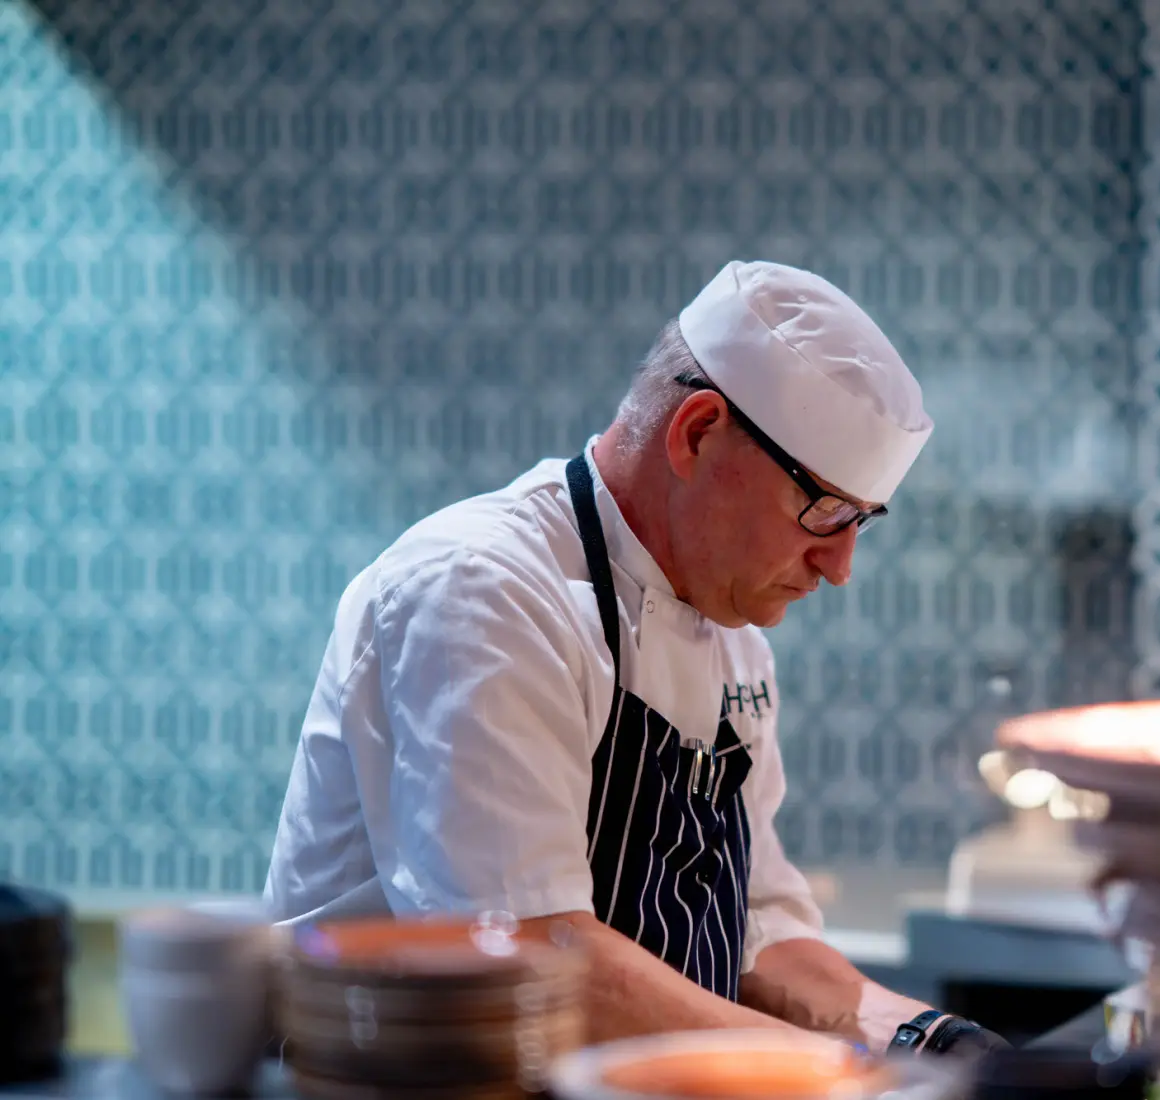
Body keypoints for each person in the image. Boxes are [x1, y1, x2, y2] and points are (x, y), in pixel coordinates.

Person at [264, 260, 1005, 1058]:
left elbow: (759, 931)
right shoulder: (485, 591)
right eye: (824, 511)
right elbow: (535, 961)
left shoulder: (734, 640)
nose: (840, 566)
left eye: (864, 521)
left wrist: (928, 1042)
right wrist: (855, 1080)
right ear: (696, 432)